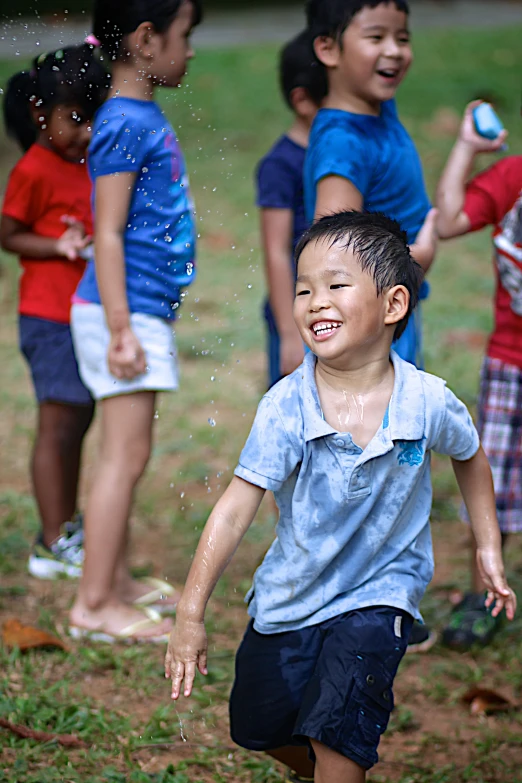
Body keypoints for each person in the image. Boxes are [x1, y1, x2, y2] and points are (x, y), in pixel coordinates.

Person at [165, 211, 516, 783]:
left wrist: (487, 547)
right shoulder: (286, 408)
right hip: (292, 595)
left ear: (393, 305)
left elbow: (470, 455)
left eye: (335, 285)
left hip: (380, 596)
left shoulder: (427, 402)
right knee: (258, 726)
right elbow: (234, 509)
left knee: (337, 734)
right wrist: (189, 612)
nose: (314, 301)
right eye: (304, 288)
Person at [303, 0, 438, 651]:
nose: (395, 51)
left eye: (403, 37)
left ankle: (376, 596)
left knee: (391, 465)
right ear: (328, 48)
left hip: (394, 326)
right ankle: (342, 604)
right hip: (369, 343)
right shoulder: (343, 140)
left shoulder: (378, 115)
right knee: (360, 463)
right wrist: (416, 259)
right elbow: (333, 259)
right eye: (376, 36)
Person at [68, 0, 202, 642]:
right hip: (123, 313)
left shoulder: (135, 115)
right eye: (186, 35)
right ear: (147, 39)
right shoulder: (124, 122)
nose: (193, 49)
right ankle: (94, 605)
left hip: (137, 311)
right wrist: (122, 328)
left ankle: (113, 581)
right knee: (125, 456)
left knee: (124, 454)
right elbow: (109, 232)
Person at [0, 44, 109, 579]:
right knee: (58, 422)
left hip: (84, 313)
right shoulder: (34, 170)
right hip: (49, 317)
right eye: (77, 118)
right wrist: (57, 246)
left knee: (78, 419)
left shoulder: (91, 162)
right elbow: (9, 234)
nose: (88, 131)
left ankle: (66, 525)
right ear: (40, 112)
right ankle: (51, 540)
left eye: (97, 117)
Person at [436, 100, 520, 650]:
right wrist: (466, 146)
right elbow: (445, 222)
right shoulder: (514, 176)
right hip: (509, 362)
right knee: (492, 490)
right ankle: (482, 594)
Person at [257, 30, 327, 388]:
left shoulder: (341, 153)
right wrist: (289, 334)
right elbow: (275, 250)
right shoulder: (280, 165)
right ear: (303, 101)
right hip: (294, 314)